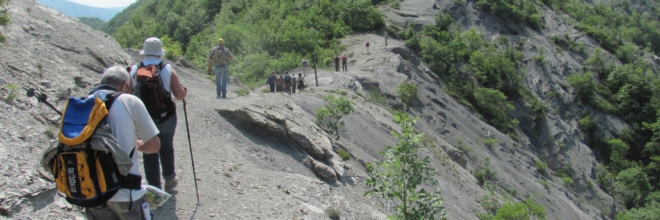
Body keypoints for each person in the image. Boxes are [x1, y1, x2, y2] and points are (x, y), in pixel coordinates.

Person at [86, 66, 161, 219]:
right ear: (124, 85)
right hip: (126, 193)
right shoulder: (130, 101)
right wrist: (136, 144)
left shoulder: (83, 103)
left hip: (91, 192)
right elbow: (154, 146)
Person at [130, 37, 187, 193]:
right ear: (160, 52)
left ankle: (154, 188)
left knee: (149, 151)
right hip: (165, 116)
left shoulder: (134, 70)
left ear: (144, 52)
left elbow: (127, 95)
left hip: (143, 118)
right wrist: (184, 91)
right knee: (166, 146)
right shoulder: (167, 69)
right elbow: (180, 95)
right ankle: (169, 180)